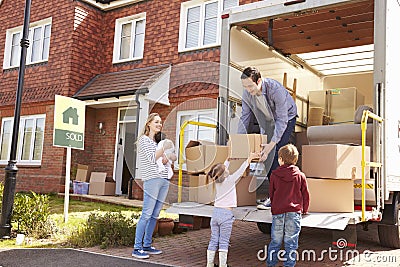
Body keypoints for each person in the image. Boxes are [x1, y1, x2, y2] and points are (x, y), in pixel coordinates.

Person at [238, 66, 297, 209]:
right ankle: (275, 193)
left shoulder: (275, 90)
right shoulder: (247, 93)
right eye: (245, 87)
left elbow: (282, 120)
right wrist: (237, 141)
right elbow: (245, 117)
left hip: (287, 118)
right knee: (265, 155)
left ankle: (277, 196)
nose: (248, 90)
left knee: (276, 152)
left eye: (250, 86)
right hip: (268, 121)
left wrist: (271, 144)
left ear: (259, 81)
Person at [206, 152, 260, 267]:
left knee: (214, 240)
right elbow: (241, 170)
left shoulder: (216, 181)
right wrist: (249, 158)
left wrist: (228, 160)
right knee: (224, 242)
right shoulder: (230, 180)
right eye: (226, 169)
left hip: (215, 214)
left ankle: (209, 264)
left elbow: (220, 170)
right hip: (226, 215)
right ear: (225, 173)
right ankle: (223, 265)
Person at [132, 113, 170, 259]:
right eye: (156, 122)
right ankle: (137, 248)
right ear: (149, 124)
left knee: (155, 215)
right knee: (147, 214)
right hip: (152, 180)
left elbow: (165, 160)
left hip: (163, 180)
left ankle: (147, 245)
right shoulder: (144, 140)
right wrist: (165, 148)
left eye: (160, 122)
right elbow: (153, 158)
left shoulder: (156, 143)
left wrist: (164, 152)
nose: (159, 124)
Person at [267, 144, 310, 267]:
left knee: (275, 241)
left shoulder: (274, 175)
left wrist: (273, 208)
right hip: (294, 212)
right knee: (291, 242)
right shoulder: (300, 175)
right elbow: (305, 194)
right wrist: (305, 209)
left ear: (280, 159)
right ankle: (289, 265)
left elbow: (272, 193)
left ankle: (271, 264)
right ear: (295, 160)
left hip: (278, 211)